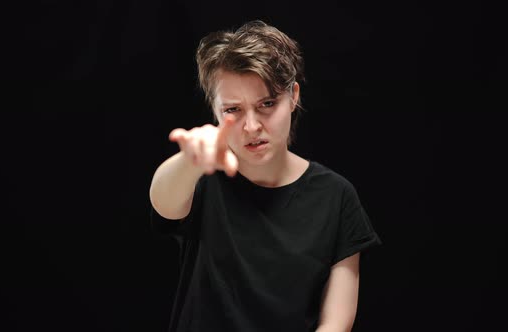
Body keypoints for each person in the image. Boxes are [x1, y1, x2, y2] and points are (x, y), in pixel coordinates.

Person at [149, 20, 382, 332]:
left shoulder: (336, 196)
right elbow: (165, 202)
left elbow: (336, 322)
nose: (251, 127)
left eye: (267, 104)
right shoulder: (201, 178)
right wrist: (189, 161)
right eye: (233, 109)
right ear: (215, 110)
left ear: (293, 96)